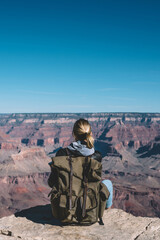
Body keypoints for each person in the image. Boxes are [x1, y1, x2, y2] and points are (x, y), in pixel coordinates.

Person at [48, 118, 113, 209]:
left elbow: (51, 183)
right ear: (90, 134)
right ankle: (104, 210)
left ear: (74, 134)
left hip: (66, 208)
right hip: (89, 207)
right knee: (108, 183)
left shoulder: (62, 154)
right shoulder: (96, 156)